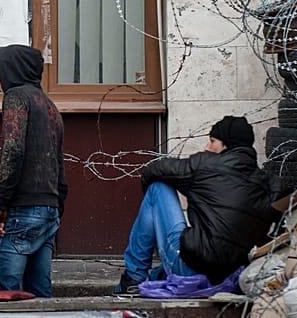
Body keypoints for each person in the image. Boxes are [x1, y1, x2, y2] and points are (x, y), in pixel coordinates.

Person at [114, 115, 286, 294]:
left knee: (158, 188)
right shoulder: (269, 183)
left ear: (225, 145)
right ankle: (158, 275)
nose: (207, 147)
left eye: (212, 141)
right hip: (231, 279)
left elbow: (153, 171)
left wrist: (154, 211)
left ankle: (133, 277)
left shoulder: (205, 164)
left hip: (191, 268)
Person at [0, 44, 68, 297]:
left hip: (22, 211)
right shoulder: (50, 105)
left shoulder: (16, 97)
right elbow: (59, 167)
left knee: (2, 298)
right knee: (40, 297)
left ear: (11, 70)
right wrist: (56, 209)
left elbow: (13, 151)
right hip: (48, 211)